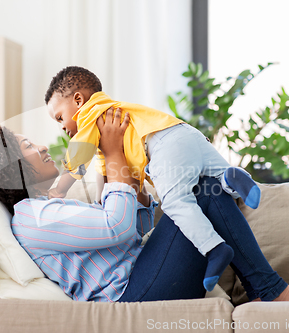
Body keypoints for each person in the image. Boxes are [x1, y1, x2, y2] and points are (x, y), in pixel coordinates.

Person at [0, 107, 289, 303]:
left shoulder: (48, 205)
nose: (41, 146)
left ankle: (266, 287)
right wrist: (113, 156)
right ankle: (270, 290)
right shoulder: (32, 218)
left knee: (199, 188)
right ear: (12, 173)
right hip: (135, 292)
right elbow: (117, 227)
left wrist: (134, 182)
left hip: (146, 273)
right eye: (28, 146)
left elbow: (131, 227)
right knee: (199, 191)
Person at [44, 66, 260, 291]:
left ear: (78, 100)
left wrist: (59, 189)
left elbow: (78, 157)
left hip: (162, 147)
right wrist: (101, 200)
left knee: (176, 202)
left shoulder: (92, 115)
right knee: (214, 180)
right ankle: (230, 178)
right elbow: (104, 167)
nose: (61, 126)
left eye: (60, 117)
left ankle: (214, 248)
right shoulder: (114, 113)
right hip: (182, 132)